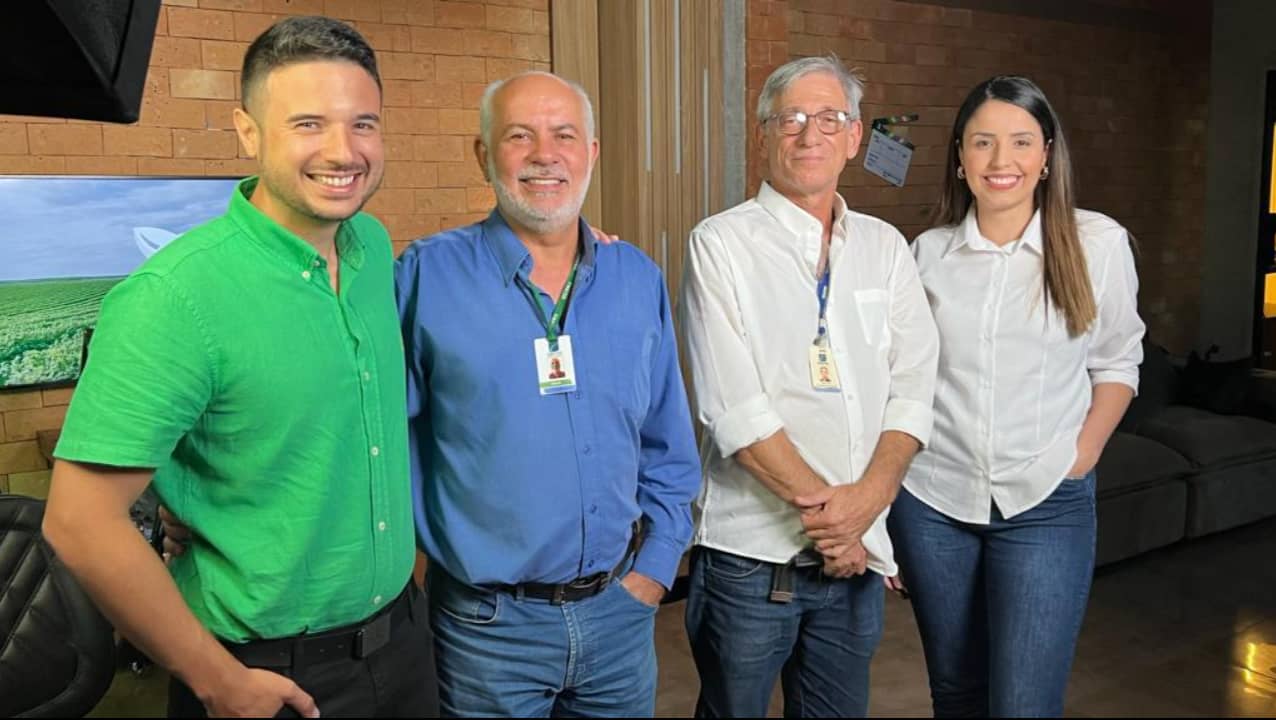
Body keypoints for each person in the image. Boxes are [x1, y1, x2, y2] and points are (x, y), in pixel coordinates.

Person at [42, 16, 437, 718]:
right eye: (309, 124)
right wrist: (217, 681)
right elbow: (78, 522)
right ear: (248, 133)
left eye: (364, 124)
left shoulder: (372, 246)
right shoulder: (175, 296)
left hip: (402, 645)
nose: (343, 151)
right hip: (268, 673)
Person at [395, 70, 701, 717]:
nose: (544, 155)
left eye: (565, 135)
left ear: (592, 153)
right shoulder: (424, 277)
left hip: (619, 618)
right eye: (519, 136)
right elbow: (381, 445)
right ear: (484, 155)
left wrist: (655, 569)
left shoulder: (634, 277)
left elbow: (668, 443)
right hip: (486, 632)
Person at [678, 56, 939, 718]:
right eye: (790, 118)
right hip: (750, 560)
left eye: (830, 118)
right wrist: (837, 525)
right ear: (764, 133)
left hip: (855, 564)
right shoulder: (721, 245)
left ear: (855, 137)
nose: (809, 133)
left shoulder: (886, 248)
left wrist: (866, 509)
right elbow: (734, 411)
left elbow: (913, 389)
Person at [888, 75, 1144, 717]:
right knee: (956, 693)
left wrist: (1079, 456)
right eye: (983, 143)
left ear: (1048, 154)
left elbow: (1118, 360)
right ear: (960, 158)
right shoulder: (926, 256)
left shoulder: (1098, 244)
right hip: (932, 503)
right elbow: (899, 382)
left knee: (1024, 705)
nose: (1002, 162)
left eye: (1021, 142)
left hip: (1046, 503)